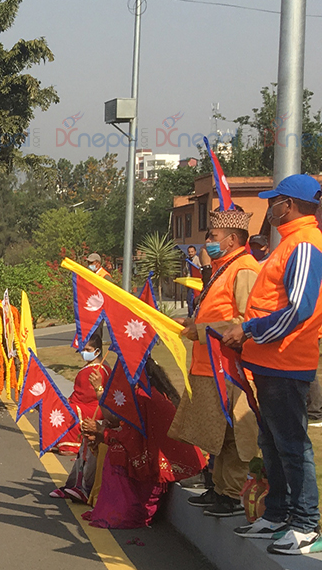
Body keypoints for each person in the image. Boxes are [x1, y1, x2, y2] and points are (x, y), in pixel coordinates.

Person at [222, 174, 322, 554]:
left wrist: (248, 330)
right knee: (273, 442)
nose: (270, 208)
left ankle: (305, 524)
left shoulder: (306, 245)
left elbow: (299, 310)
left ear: (290, 206)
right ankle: (278, 511)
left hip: (285, 362)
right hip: (268, 362)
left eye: (274, 200)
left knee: (292, 445)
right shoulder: (293, 243)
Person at [168, 208, 261, 518]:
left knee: (236, 432)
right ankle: (218, 488)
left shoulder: (243, 269)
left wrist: (203, 329)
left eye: (213, 236)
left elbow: (246, 321)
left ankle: (232, 494)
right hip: (209, 366)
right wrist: (193, 322)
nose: (207, 241)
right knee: (216, 433)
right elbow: (219, 314)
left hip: (232, 369)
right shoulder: (224, 267)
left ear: (232, 240)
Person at [81, 361, 206, 529]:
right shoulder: (148, 392)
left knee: (114, 451)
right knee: (106, 444)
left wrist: (101, 432)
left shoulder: (143, 397)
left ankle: (123, 510)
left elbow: (129, 438)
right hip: (164, 455)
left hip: (164, 461)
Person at [51, 330, 110, 502]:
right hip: (100, 412)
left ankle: (83, 488)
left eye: (88, 349)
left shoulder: (96, 372)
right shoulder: (100, 369)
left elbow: (89, 397)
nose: (83, 353)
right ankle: (72, 485)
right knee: (85, 447)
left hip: (99, 414)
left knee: (87, 444)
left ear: (97, 351)